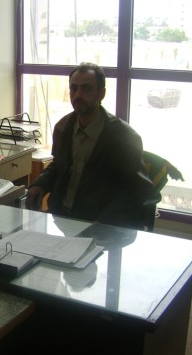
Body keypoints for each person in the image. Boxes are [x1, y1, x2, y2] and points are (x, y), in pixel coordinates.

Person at [25, 62, 153, 230]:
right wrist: (39, 184)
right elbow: (58, 166)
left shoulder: (124, 137)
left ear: (101, 93)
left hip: (99, 224)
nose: (78, 95)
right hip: (61, 219)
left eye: (86, 88)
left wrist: (104, 223)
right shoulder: (63, 127)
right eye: (74, 88)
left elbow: (135, 192)